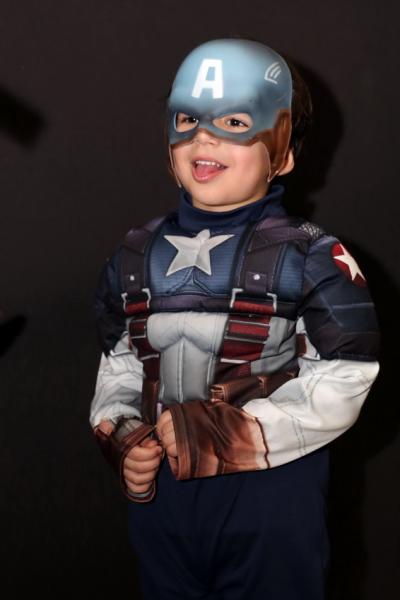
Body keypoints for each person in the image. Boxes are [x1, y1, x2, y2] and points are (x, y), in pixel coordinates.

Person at [89, 38, 380, 599]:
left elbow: (348, 374)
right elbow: (120, 360)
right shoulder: (134, 254)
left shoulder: (311, 256)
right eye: (188, 120)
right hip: (166, 499)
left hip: (269, 497)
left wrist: (237, 434)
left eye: (235, 122)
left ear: (283, 152)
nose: (204, 136)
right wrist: (121, 433)